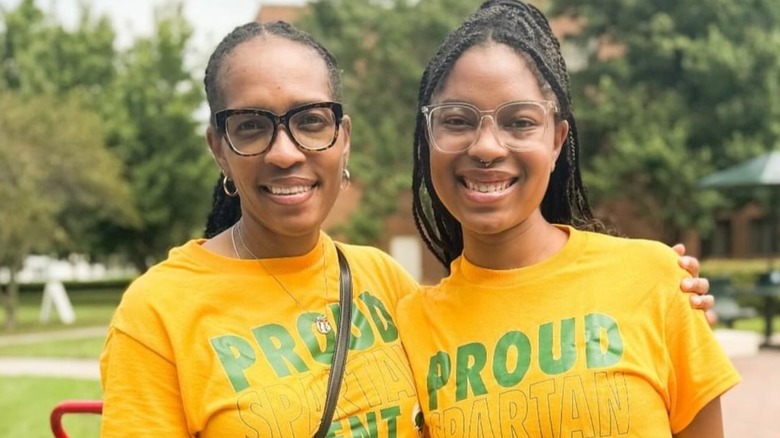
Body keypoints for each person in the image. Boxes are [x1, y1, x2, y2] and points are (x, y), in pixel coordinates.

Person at [99, 19, 713, 438]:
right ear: (218, 146)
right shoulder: (158, 312)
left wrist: (662, 296)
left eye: (310, 121)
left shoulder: (386, 286)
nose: (285, 152)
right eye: (252, 126)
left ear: (343, 137)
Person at [397, 1, 739, 437]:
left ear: (557, 141)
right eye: (458, 120)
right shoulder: (409, 327)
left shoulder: (654, 279)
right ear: (428, 139)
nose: (485, 147)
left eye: (519, 122)